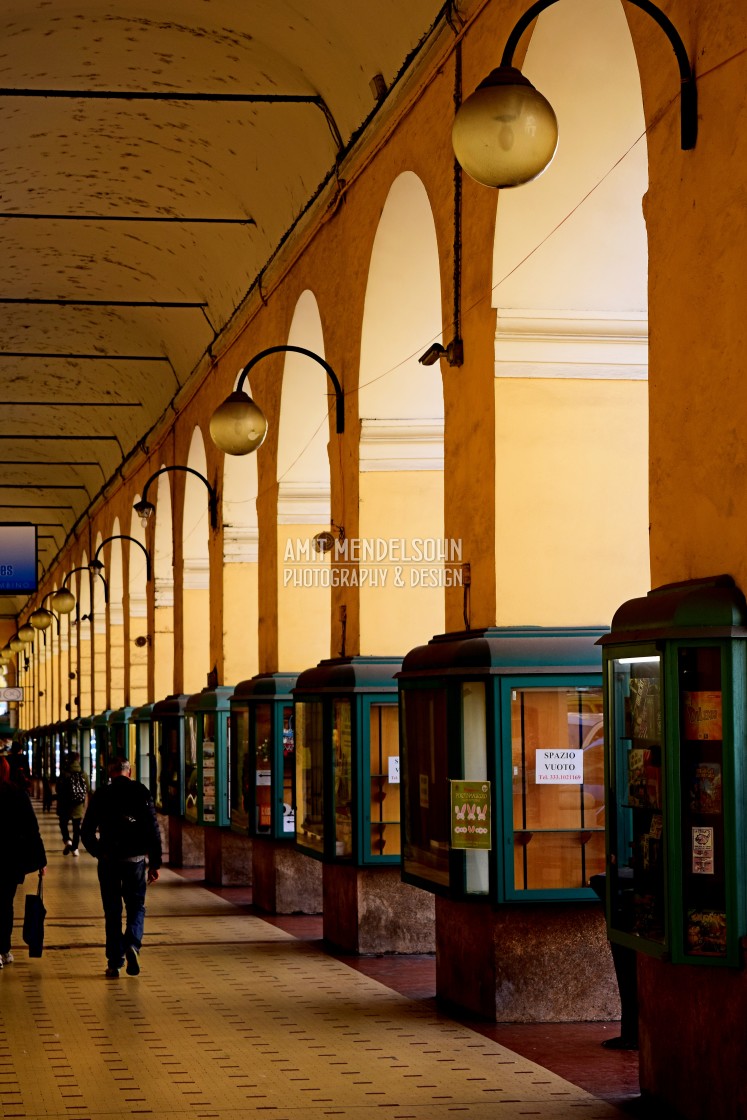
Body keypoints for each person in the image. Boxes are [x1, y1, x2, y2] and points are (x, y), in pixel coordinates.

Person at [81, 757, 162, 979]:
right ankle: (133, 944)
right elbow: (153, 829)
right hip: (135, 860)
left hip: (109, 861)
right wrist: (154, 863)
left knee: (112, 911)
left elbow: (86, 831)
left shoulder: (102, 794)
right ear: (130, 771)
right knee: (136, 906)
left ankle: (114, 962)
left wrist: (99, 852)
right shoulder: (141, 791)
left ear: (110, 773)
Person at [0, 757, 47, 967]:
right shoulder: (17, 794)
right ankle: (3, 950)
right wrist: (40, 860)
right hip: (9, 860)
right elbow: (31, 828)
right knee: (4, 904)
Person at [56, 751, 90, 856]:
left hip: (64, 804)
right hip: (78, 805)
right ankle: (75, 848)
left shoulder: (64, 773)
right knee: (76, 828)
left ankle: (67, 840)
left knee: (63, 824)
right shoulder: (83, 773)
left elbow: (58, 789)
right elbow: (87, 788)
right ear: (78, 760)